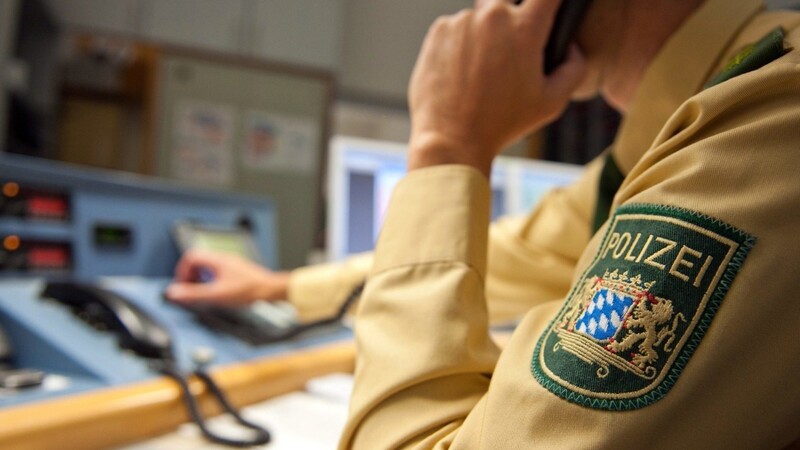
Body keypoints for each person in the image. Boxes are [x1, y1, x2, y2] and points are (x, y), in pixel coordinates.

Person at [169, 0, 800, 447]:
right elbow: (521, 254)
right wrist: (279, 290)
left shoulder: (771, 119)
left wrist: (447, 145)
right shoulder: (674, 131)